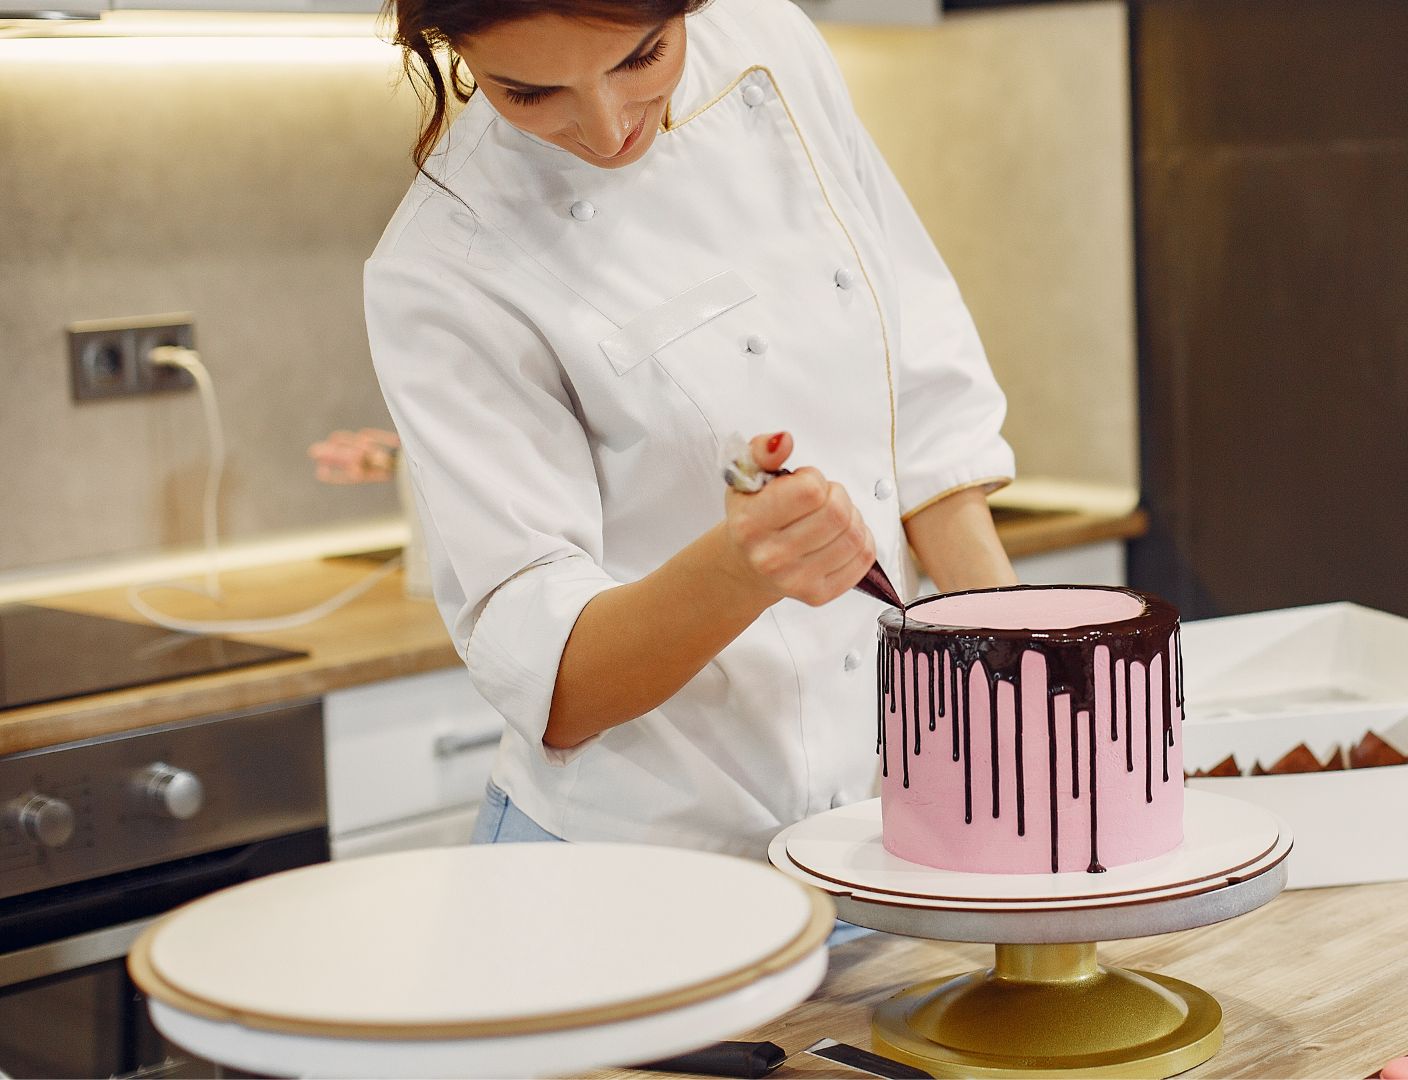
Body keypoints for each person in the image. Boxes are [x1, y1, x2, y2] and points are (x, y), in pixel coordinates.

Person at [362, 0, 1019, 866]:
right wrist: (741, 568)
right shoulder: (440, 268)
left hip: (880, 831)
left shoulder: (771, 43)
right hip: (633, 867)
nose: (604, 129)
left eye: (642, 58)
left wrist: (1018, 662)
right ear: (449, 52)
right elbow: (554, 684)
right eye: (528, 92)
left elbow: (919, 381)